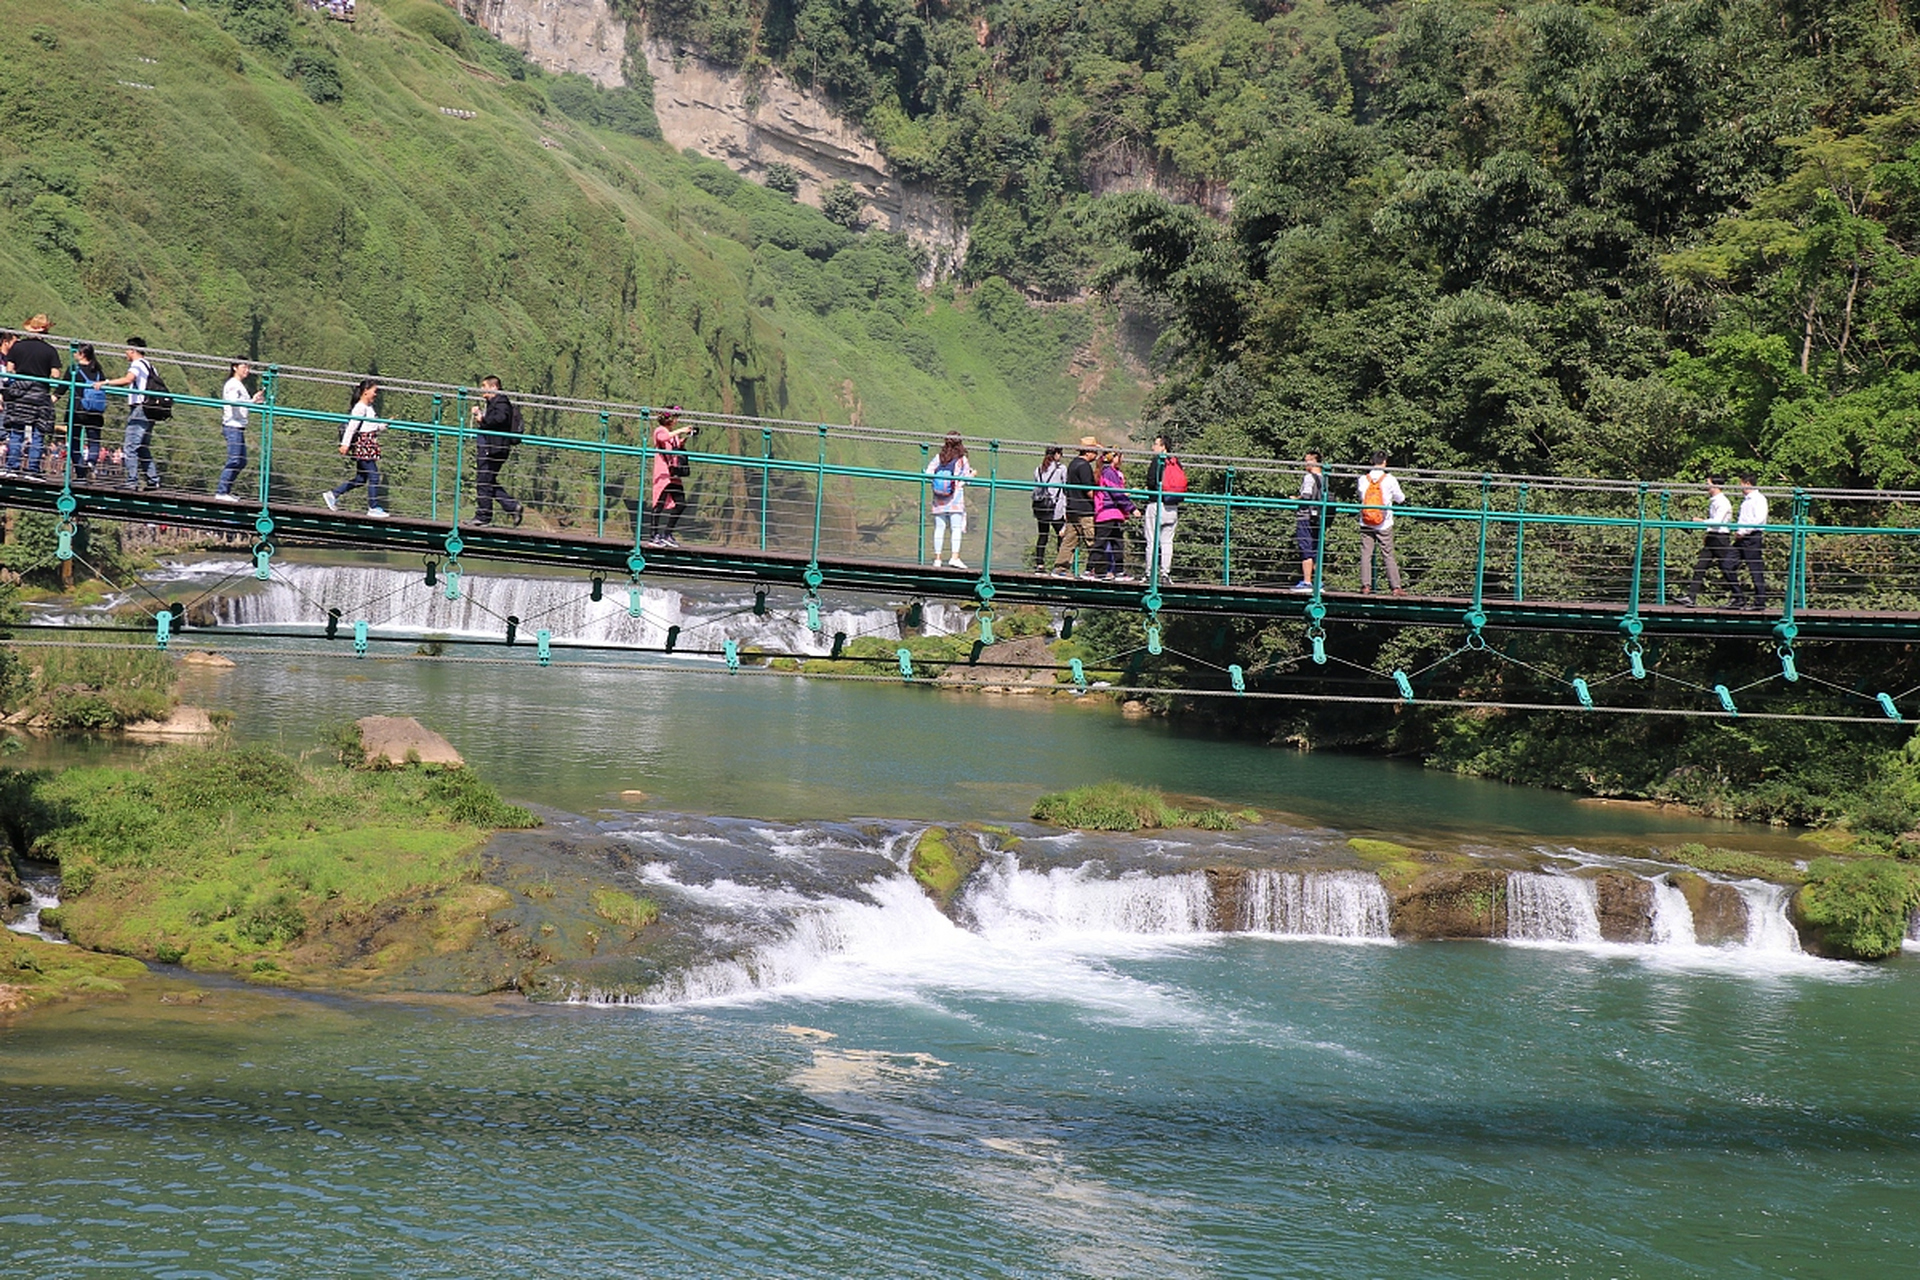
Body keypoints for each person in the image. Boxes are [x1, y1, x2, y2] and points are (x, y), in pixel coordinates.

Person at [2, 316, 63, 478]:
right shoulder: (50, 350)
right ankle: (33, 469)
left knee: (17, 430)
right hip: (40, 393)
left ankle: (12, 467)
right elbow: (56, 374)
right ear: (45, 330)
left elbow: (9, 369)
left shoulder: (18, 347)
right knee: (38, 431)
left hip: (20, 393)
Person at [322, 378, 388, 517]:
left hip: (368, 444)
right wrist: (345, 444)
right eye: (374, 391)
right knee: (374, 476)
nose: (376, 394)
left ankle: (333, 494)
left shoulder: (368, 407)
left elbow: (370, 426)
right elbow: (352, 427)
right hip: (364, 445)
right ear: (366, 391)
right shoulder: (360, 408)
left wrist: (384, 425)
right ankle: (373, 507)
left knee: (361, 479)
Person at [101, 338, 160, 491]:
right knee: (142, 446)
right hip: (150, 409)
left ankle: (131, 481)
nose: (125, 353)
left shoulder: (137, 364)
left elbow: (128, 379)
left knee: (130, 446)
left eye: (127, 350)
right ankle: (153, 480)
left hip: (140, 409)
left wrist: (106, 383)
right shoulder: (151, 366)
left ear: (133, 350)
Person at [470, 376, 524, 527]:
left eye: (484, 386)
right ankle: (512, 507)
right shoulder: (493, 402)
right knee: (487, 481)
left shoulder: (501, 402)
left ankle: (483, 516)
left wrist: (482, 419)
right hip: (491, 447)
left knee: (484, 481)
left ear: (493, 387)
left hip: (494, 449)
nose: (482, 389)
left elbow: (500, 419)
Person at [1674, 476, 1736, 608]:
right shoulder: (1714, 501)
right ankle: (1691, 597)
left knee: (1726, 568)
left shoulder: (1723, 502)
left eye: (1708, 484)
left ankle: (1738, 596)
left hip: (1720, 539)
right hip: (1713, 537)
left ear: (1715, 486)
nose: (1706, 486)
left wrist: (1701, 522)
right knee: (1700, 566)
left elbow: (1718, 521)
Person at [1356, 449, 1407, 595]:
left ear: (1372, 461)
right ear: (1385, 462)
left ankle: (1365, 586)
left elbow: (1360, 495)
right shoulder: (1390, 479)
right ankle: (1395, 587)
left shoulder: (1362, 479)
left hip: (1366, 521)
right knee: (1388, 554)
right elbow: (1400, 498)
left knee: (1366, 554)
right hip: (1384, 523)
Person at [1051, 437, 1101, 577]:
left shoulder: (1073, 464)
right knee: (1092, 540)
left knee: (1070, 540)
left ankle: (1060, 568)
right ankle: (1096, 569)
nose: (1096, 454)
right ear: (1088, 452)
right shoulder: (1084, 467)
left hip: (1072, 507)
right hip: (1084, 510)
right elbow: (1088, 489)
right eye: (1095, 451)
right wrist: (1098, 502)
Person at [925, 432, 976, 568]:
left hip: (939, 498)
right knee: (956, 528)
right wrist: (973, 474)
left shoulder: (939, 457)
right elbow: (967, 480)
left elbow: (928, 473)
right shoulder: (961, 459)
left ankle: (937, 559)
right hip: (955, 498)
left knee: (939, 528)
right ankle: (954, 557)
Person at [215, 360, 263, 502]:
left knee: (241, 461)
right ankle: (221, 491)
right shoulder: (232, 385)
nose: (247, 370)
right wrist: (252, 401)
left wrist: (255, 401)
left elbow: (244, 403)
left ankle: (226, 491)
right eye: (244, 367)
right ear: (235, 367)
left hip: (238, 426)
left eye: (248, 367)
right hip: (232, 425)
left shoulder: (239, 385)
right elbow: (233, 402)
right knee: (235, 459)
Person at [647, 406, 695, 547]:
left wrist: (683, 440)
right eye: (675, 418)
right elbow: (663, 438)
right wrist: (680, 431)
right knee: (659, 504)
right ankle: (653, 536)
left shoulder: (671, 434)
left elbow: (673, 445)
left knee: (680, 504)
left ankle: (667, 534)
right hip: (663, 473)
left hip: (673, 473)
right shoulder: (660, 430)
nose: (677, 420)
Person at [1142, 433, 1184, 582]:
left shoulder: (1157, 461)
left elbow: (1152, 481)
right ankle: (1165, 573)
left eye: (1156, 444)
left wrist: (1148, 488)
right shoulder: (1175, 462)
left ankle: (1149, 574)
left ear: (1163, 446)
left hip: (1156, 505)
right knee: (1167, 542)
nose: (1153, 447)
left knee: (1151, 540)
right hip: (1172, 506)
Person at [1093, 449, 1137, 580]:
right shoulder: (1109, 473)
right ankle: (1091, 569)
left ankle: (1118, 571)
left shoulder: (1106, 472)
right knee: (1102, 542)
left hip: (1111, 512)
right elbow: (1116, 493)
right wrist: (1131, 508)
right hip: (1108, 512)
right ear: (1114, 458)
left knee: (1117, 543)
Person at [68, 344, 108, 480]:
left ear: (81, 354)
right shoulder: (98, 371)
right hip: (95, 412)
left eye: (75, 352)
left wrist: (51, 400)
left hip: (77, 410)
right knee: (94, 440)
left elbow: (61, 388)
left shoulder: (74, 370)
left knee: (74, 441)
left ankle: (80, 472)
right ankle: (91, 462)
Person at [1731, 474, 1769, 610]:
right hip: (1741, 538)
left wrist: (1743, 531)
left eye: (1740, 483)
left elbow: (1758, 520)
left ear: (1747, 484)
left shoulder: (1759, 499)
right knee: (1727, 563)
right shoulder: (1746, 500)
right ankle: (1738, 597)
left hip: (1752, 538)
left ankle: (1760, 602)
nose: (1739, 486)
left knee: (1755, 569)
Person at [1030, 445, 1066, 571]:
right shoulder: (1060, 469)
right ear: (1057, 454)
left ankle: (1039, 564)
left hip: (1041, 507)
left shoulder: (1039, 469)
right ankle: (1060, 565)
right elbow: (1065, 487)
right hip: (1055, 507)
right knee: (1062, 534)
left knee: (1043, 535)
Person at [1294, 450, 1324, 592]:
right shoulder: (1324, 478)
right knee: (1315, 549)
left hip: (1305, 516)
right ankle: (1318, 582)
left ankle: (1307, 582)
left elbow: (1306, 495)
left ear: (1314, 461)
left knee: (1306, 547)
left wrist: (1296, 499)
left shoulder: (1309, 477)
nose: (1305, 464)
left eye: (1307, 461)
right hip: (1318, 517)